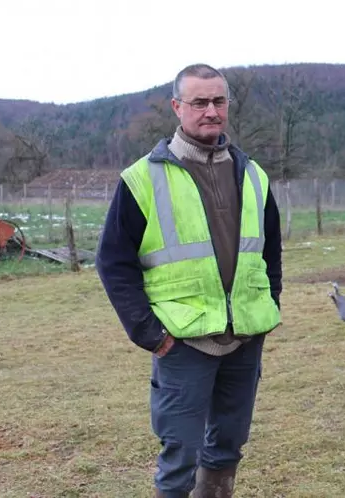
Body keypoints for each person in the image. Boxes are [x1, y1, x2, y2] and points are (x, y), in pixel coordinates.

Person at [96, 63, 283, 498]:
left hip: (244, 338)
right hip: (182, 342)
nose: (211, 111)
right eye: (199, 102)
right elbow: (113, 261)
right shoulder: (143, 178)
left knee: (228, 447)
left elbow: (270, 251)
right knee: (180, 454)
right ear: (177, 107)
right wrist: (150, 333)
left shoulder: (253, 175)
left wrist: (267, 306)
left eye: (219, 101)